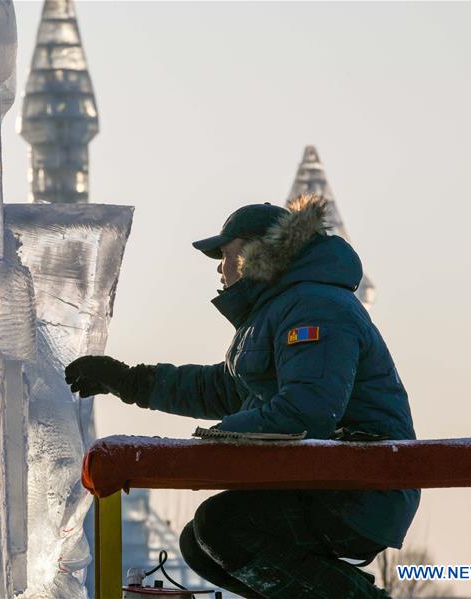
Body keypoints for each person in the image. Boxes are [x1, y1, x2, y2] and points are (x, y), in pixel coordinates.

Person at [64, 194, 419, 598]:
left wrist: (215, 441)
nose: (219, 267)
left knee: (224, 527)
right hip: (325, 479)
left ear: (255, 253)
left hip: (359, 486)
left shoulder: (315, 307)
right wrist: (129, 381)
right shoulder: (279, 311)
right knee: (198, 545)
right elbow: (224, 389)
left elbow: (307, 409)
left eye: (225, 252)